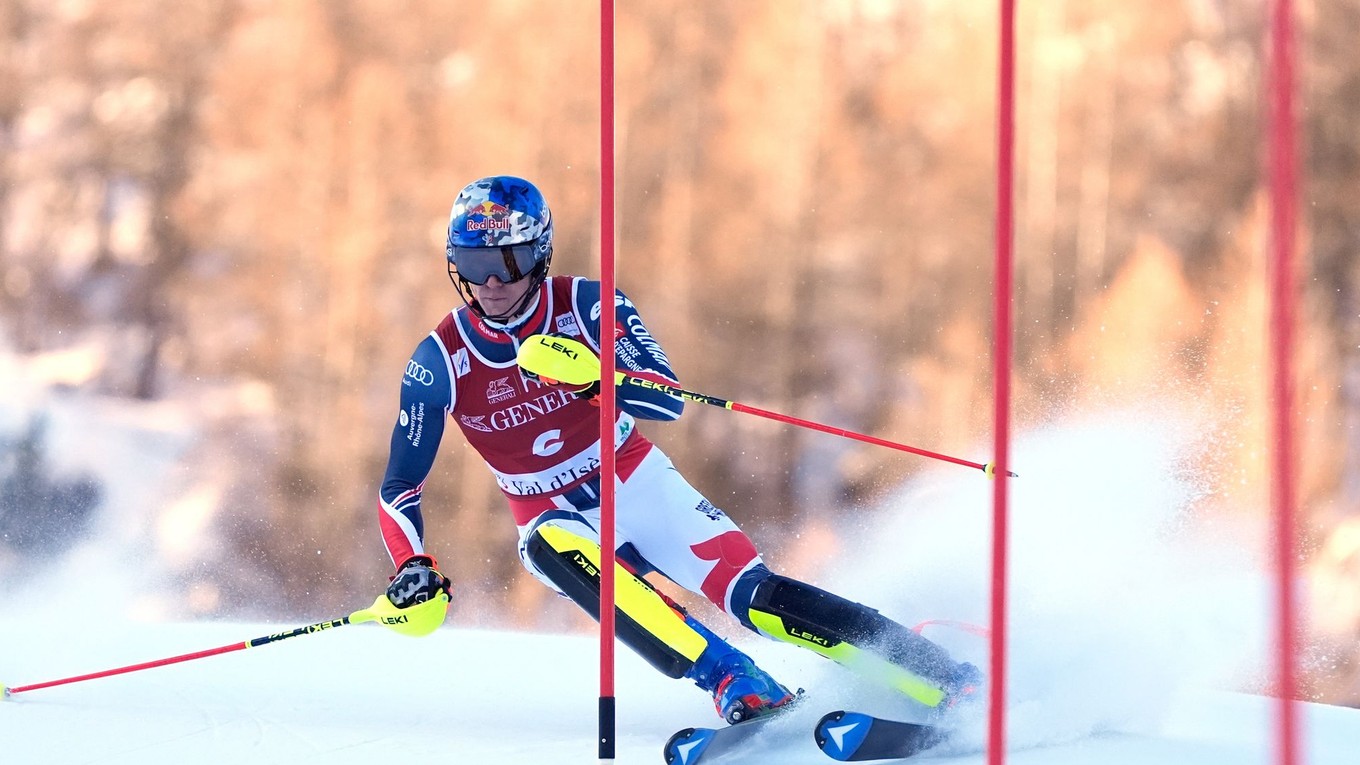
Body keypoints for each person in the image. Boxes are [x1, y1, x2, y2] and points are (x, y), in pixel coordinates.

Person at [375, 175, 980, 724]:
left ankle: (936, 676)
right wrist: (411, 564)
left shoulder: (589, 305)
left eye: (509, 262)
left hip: (635, 479)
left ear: (539, 254)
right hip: (547, 511)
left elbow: (668, 401)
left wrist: (599, 379)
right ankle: (733, 681)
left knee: (753, 599)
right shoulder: (439, 361)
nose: (492, 284)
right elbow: (400, 487)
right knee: (550, 548)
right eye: (475, 265)